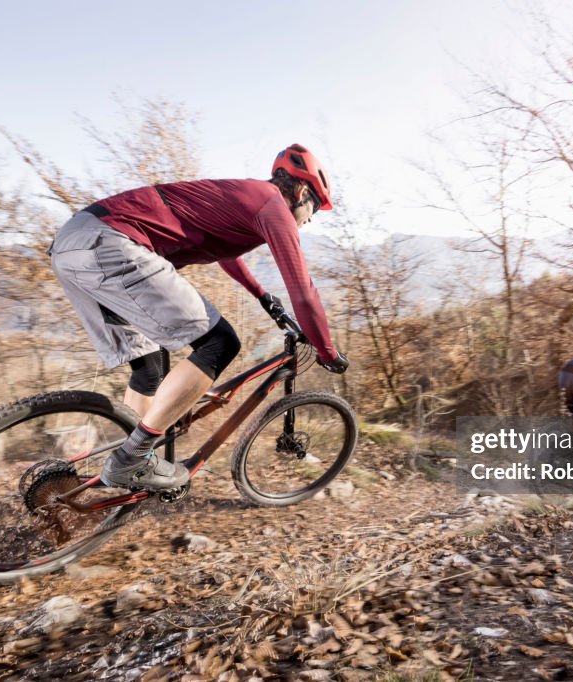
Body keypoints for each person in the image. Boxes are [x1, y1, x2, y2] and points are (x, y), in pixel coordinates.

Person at [48, 144, 349, 491]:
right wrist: (327, 352)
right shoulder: (273, 204)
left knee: (149, 367)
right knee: (220, 343)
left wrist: (264, 297)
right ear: (299, 191)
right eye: (314, 207)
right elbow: (304, 291)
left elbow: (226, 255)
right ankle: (132, 459)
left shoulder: (247, 197)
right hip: (112, 243)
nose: (310, 218)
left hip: (74, 246)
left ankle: (126, 464)